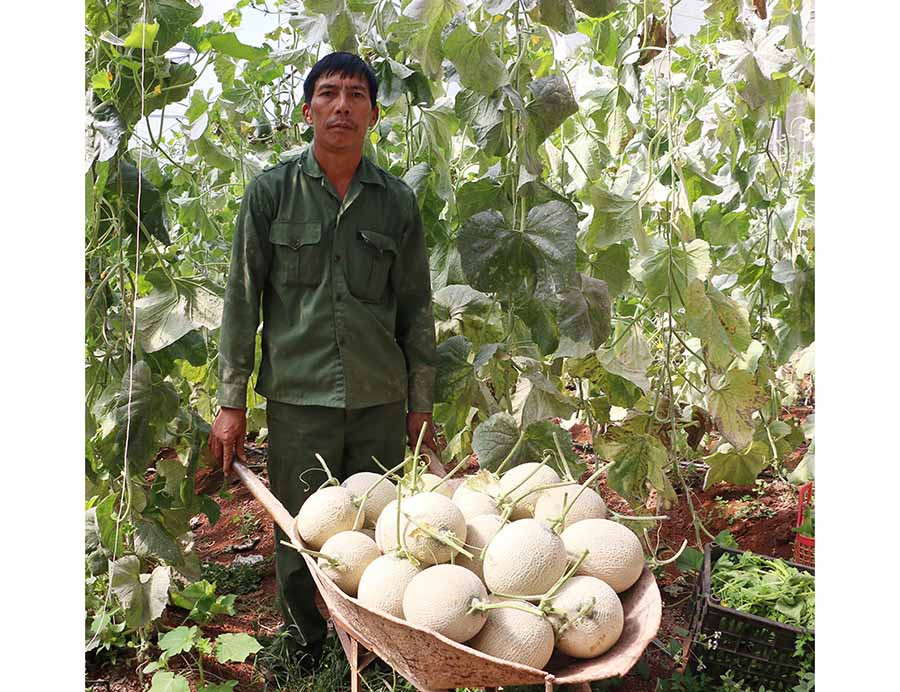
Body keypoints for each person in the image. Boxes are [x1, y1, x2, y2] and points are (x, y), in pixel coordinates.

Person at [207, 52, 438, 664]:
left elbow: (416, 308)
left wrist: (420, 404)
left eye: (356, 95)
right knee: (303, 530)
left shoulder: (396, 203)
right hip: (300, 399)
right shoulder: (270, 194)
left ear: (374, 113)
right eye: (330, 94)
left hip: (378, 399)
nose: (342, 105)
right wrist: (231, 400)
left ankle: (381, 642)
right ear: (307, 110)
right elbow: (241, 300)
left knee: (383, 531)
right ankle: (309, 644)